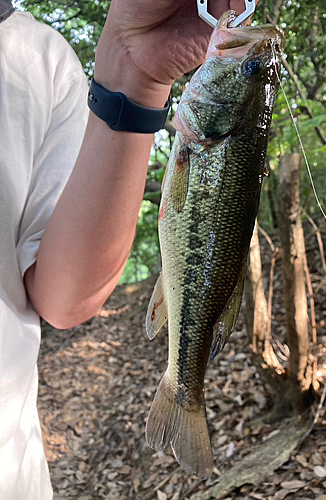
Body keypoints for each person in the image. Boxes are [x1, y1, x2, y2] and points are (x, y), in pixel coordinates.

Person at [0, 0, 251, 498]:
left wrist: (134, 76)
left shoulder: (41, 58)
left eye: (249, 75)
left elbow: (65, 300)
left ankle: (184, 389)